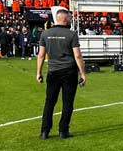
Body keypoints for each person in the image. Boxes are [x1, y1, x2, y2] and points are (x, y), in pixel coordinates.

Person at [36, 8, 87, 139]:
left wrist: (38, 73)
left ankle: (44, 131)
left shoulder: (45, 34)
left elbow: (41, 55)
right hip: (69, 71)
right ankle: (63, 131)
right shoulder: (72, 34)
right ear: (64, 19)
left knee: (49, 102)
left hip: (53, 71)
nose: (71, 20)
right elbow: (78, 55)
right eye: (70, 18)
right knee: (67, 102)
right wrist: (83, 74)